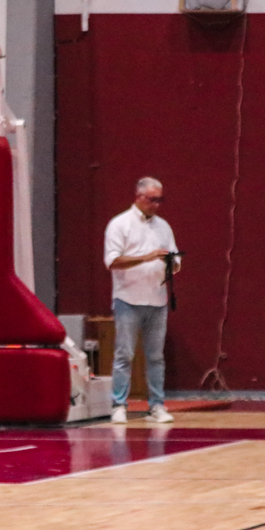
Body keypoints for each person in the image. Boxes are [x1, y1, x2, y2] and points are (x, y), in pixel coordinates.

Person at [104, 177, 180, 424]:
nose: (156, 205)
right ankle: (119, 405)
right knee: (124, 355)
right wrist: (147, 257)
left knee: (156, 357)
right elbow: (112, 261)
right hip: (128, 299)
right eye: (152, 199)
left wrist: (171, 263)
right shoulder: (119, 224)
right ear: (138, 197)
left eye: (160, 200)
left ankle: (157, 405)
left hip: (157, 300)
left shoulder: (163, 227)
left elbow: (175, 259)